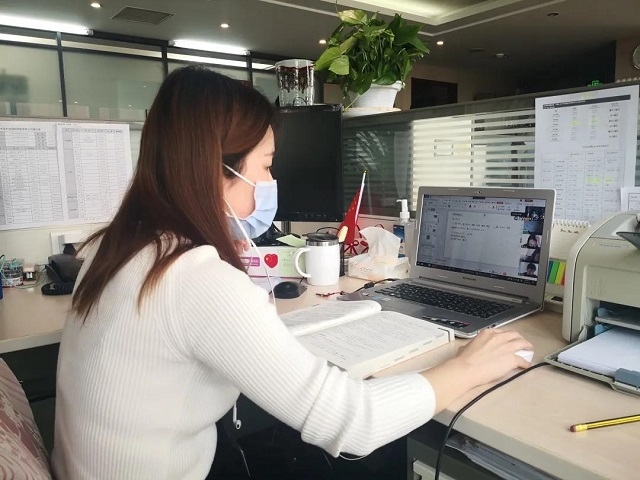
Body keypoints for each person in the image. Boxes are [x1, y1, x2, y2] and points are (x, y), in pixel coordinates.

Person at [51, 66, 533, 479]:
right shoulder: (192, 277)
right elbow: (354, 422)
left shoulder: (120, 247)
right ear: (216, 170)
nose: (269, 183)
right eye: (265, 166)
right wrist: (467, 367)